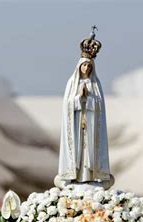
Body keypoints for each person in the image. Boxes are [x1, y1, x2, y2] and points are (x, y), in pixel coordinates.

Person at [55, 26, 113, 189]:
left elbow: (100, 107)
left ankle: (89, 176)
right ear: (79, 66)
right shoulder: (72, 83)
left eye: (89, 66)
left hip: (91, 124)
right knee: (78, 151)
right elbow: (67, 106)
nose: (86, 68)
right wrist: (79, 98)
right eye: (84, 66)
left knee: (89, 152)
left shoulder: (95, 84)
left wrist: (89, 100)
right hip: (76, 125)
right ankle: (75, 175)